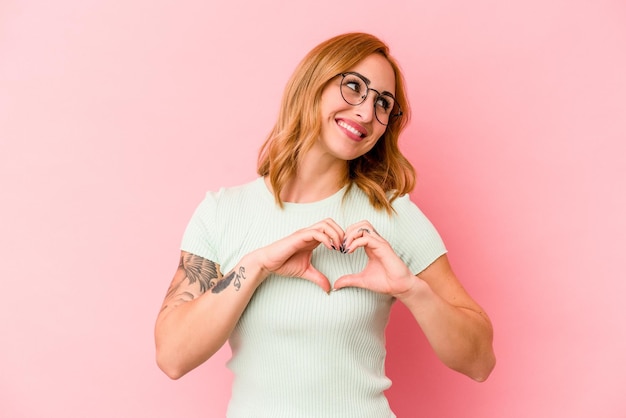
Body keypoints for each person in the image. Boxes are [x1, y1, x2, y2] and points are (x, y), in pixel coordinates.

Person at [155, 32, 495, 417]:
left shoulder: (391, 215)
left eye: (383, 103)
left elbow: (480, 361)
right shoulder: (221, 212)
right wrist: (258, 264)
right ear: (312, 83)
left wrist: (412, 290)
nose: (367, 113)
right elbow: (173, 356)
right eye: (353, 87)